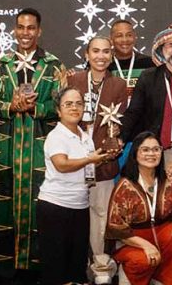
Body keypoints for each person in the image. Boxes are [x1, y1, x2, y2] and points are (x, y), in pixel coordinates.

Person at [119, 24, 172, 284]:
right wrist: (119, 138)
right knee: (153, 210)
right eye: (171, 45)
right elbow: (134, 112)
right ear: (162, 49)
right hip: (151, 154)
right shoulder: (148, 78)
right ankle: (152, 263)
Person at [0, 8, 65, 279]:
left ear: (39, 31)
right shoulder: (1, 65)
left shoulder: (54, 66)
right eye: (20, 27)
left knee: (40, 202)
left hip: (41, 147)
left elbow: (62, 104)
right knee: (6, 201)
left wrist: (36, 108)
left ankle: (38, 265)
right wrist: (11, 106)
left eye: (31, 28)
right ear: (14, 30)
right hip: (8, 147)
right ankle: (7, 265)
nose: (25, 32)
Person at [66, 36, 128, 284]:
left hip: (103, 160)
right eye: (95, 51)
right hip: (75, 161)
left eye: (105, 52)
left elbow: (120, 123)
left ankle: (101, 265)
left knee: (101, 214)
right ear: (86, 54)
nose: (100, 56)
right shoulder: (74, 80)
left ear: (111, 56)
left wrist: (115, 142)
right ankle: (76, 264)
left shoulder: (118, 85)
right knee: (74, 214)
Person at [36, 87, 112, 285]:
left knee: (76, 264)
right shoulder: (56, 136)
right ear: (58, 110)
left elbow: (87, 167)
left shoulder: (84, 136)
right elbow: (61, 165)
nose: (74, 108)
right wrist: (89, 159)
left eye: (79, 103)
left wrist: (103, 157)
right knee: (56, 267)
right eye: (68, 104)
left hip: (80, 206)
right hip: (55, 207)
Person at [106, 132, 172, 285]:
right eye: (145, 150)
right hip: (132, 241)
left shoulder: (169, 180)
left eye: (156, 149)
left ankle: (163, 279)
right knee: (142, 260)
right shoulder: (125, 186)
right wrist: (146, 245)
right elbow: (116, 229)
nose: (151, 154)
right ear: (135, 154)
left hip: (160, 234)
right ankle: (128, 273)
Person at [108, 19, 155, 102]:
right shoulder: (106, 65)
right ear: (111, 40)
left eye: (129, 35)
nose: (125, 40)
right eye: (119, 36)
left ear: (134, 37)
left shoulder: (149, 63)